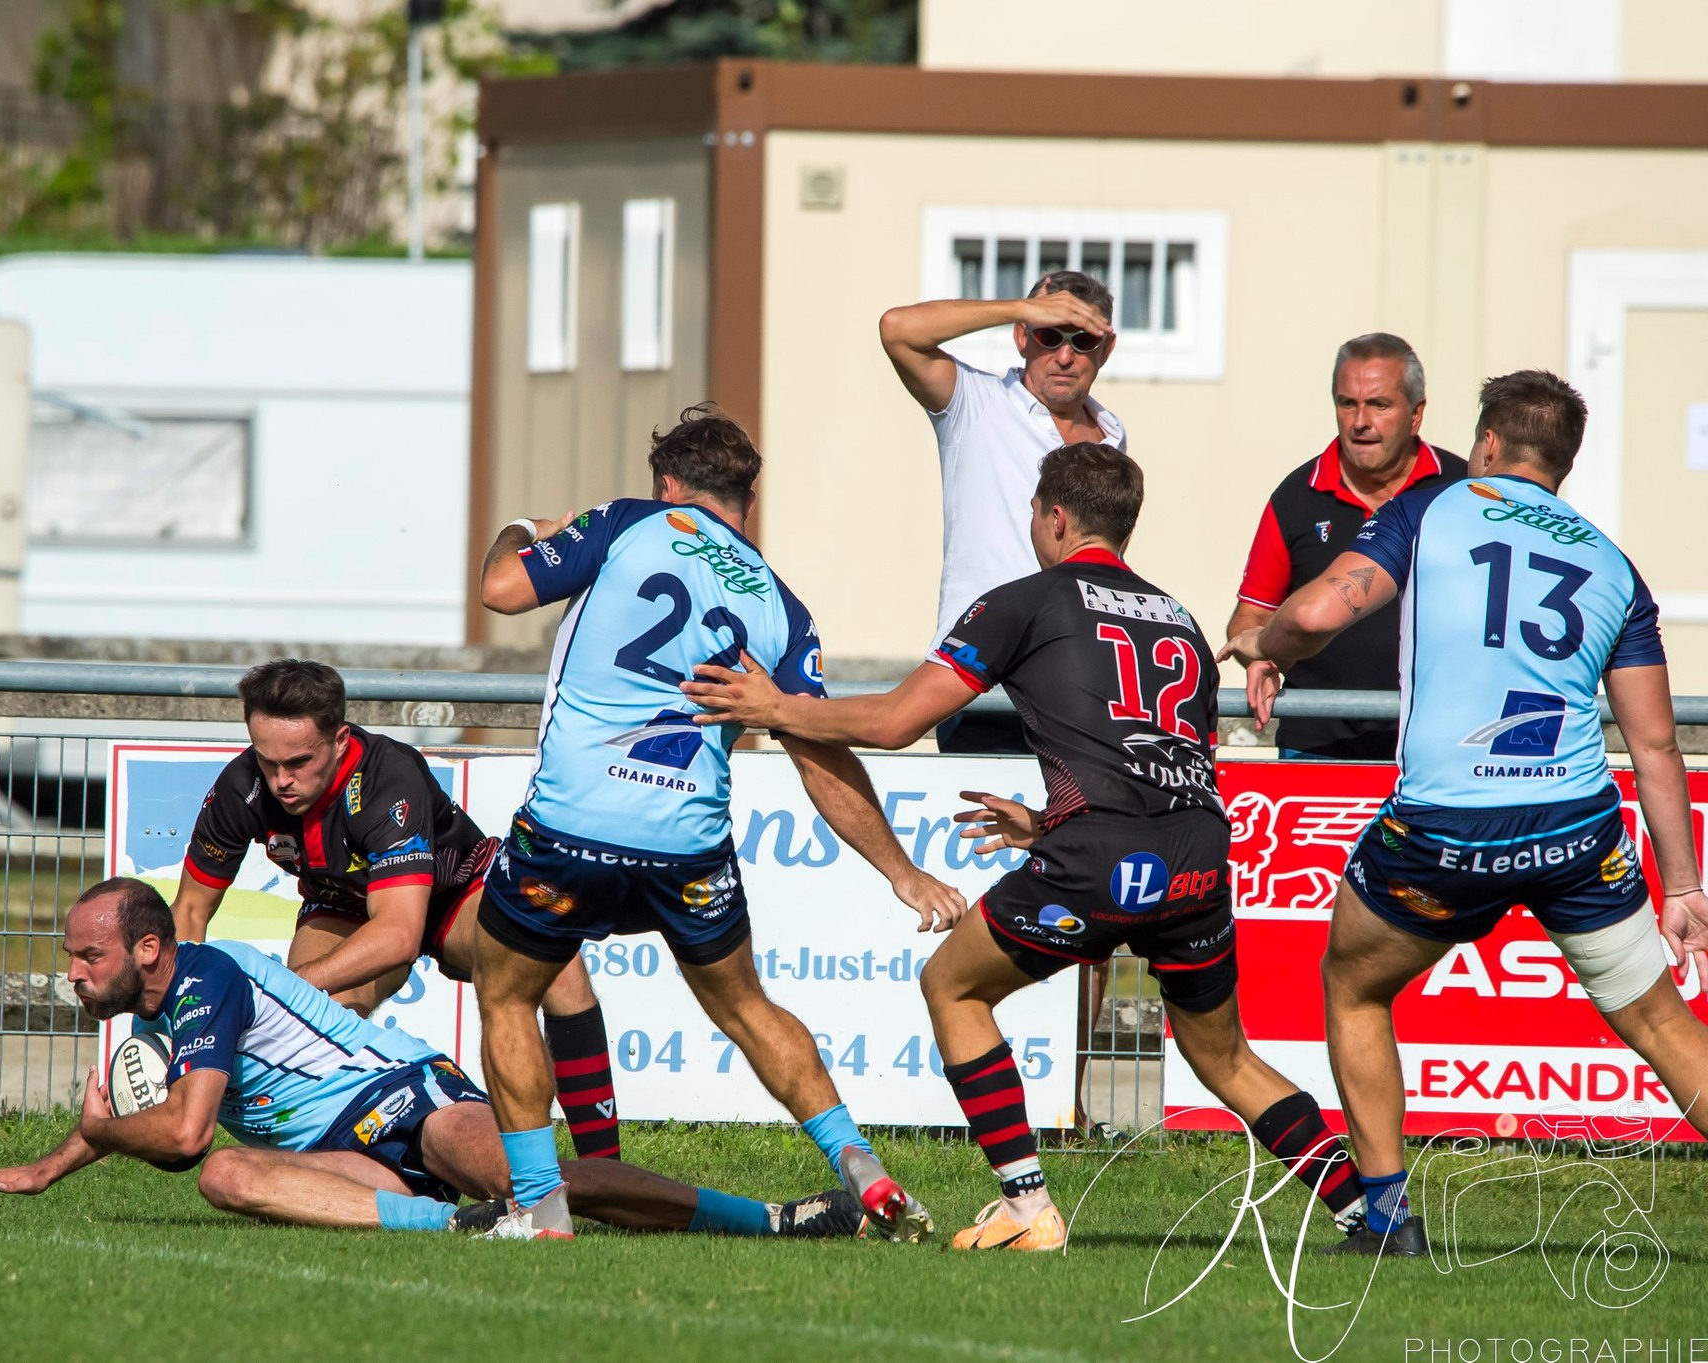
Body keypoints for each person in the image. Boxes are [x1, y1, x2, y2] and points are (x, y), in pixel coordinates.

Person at [684, 444, 1380, 1254]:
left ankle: (1024, 1204)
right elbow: (1158, 766)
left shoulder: (1026, 600)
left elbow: (895, 722)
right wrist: (1050, 823)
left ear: (1054, 517)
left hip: (1101, 853)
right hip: (1195, 848)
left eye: (1032, 516)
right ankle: (1363, 1208)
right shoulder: (1180, 620)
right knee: (1223, 1053)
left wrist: (780, 706)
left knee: (952, 985)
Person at [1220, 371, 1708, 1254]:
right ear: (1563, 463)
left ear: (1486, 444)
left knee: (1356, 984)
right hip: (1575, 829)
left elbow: (1326, 606)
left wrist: (1265, 640)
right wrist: (1682, 883)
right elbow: (1657, 744)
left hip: (1447, 829)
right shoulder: (1610, 563)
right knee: (1663, 1024)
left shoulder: (1435, 506)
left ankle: (1389, 1216)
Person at [470, 403, 966, 1241]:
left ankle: (538, 1208)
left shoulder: (627, 523)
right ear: (748, 500)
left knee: (507, 990)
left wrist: (529, 527)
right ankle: (865, 1170)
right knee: (745, 1006)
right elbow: (819, 754)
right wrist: (902, 870)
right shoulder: (781, 602)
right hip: (686, 840)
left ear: (669, 485)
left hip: (574, 822)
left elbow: (502, 588)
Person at [0, 879, 867, 1240]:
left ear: (147, 950)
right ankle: (458, 1231)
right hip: (337, 1149)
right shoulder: (159, 1007)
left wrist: (98, 1129)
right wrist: (50, 1166)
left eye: (86, 957)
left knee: (537, 1184)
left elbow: (179, 1129)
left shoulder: (206, 977)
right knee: (230, 1173)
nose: (72, 974)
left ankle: (772, 1219)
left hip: (404, 1099)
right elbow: (188, 1137)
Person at [171, 659, 623, 1161]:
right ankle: (346, 1169)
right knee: (314, 1025)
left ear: (340, 739)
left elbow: (399, 935)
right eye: (267, 761)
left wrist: (284, 990)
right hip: (344, 904)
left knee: (557, 963)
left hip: (455, 891)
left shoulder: (389, 775)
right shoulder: (240, 787)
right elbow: (188, 913)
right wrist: (175, 1020)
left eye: (299, 762)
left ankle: (604, 1168)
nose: (281, 780)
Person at [879, 271, 1121, 753]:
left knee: (1070, 829)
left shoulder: (1113, 436)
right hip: (980, 679)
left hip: (1075, 682)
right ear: (1021, 337)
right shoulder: (976, 401)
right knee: (981, 828)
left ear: (1106, 349)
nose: (1066, 355)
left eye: (1084, 339)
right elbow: (897, 328)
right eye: (1050, 335)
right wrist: (1023, 307)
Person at [1226, 334, 1467, 759]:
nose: (1360, 421)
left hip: (1438, 750)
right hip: (1318, 746)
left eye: (1379, 404)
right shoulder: (1297, 496)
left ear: (1416, 414)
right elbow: (1250, 617)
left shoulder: (1462, 490)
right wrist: (1261, 658)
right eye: (1347, 403)